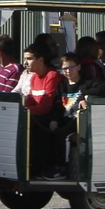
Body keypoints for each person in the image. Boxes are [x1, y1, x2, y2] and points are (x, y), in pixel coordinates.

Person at [16, 42, 68, 178]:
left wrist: (25, 111)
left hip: (52, 119)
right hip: (37, 117)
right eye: (25, 59)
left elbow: (46, 106)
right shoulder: (33, 77)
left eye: (29, 59)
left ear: (41, 60)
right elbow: (33, 99)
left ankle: (49, 168)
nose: (25, 62)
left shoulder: (52, 76)